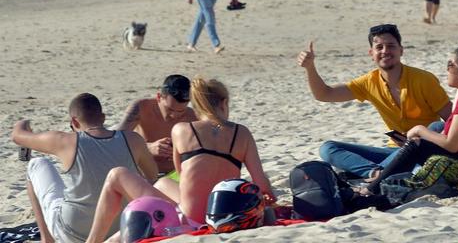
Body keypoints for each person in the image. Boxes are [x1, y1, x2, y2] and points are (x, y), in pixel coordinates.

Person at [84, 78, 275, 242]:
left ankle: (92, 241)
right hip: (224, 214)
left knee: (116, 175)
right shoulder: (242, 133)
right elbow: (262, 184)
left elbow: (184, 178)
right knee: (162, 182)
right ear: (224, 103)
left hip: (189, 220)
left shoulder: (182, 130)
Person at [297, 24, 452, 178]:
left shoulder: (423, 80)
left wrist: (424, 137)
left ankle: (381, 172)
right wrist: (310, 68)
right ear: (371, 53)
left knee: (437, 127)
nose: (385, 51)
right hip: (393, 152)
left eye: (391, 46)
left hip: (424, 151)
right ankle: (377, 173)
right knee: (328, 148)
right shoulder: (369, 82)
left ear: (401, 50)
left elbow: (451, 121)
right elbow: (325, 94)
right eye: (379, 47)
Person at [11, 93, 157, 243]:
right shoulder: (133, 139)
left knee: (36, 164)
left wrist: (23, 123)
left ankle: (47, 238)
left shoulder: (64, 140)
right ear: (103, 117)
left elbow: (17, 136)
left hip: (72, 231)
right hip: (121, 227)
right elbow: (152, 176)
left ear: (74, 121)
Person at [366, 47, 458, 194]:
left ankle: (372, 189)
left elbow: (452, 144)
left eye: (450, 65)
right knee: (435, 128)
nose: (447, 69)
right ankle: (381, 176)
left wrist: (419, 129)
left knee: (417, 145)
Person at [117, 75, 198, 174]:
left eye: (181, 111)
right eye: (169, 109)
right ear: (159, 97)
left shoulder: (193, 117)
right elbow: (117, 142)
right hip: (144, 175)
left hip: (174, 175)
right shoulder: (142, 108)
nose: (174, 115)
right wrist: (148, 148)